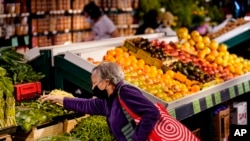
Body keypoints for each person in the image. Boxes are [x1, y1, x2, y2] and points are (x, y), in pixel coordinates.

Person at [40, 62, 160, 141]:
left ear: (107, 82)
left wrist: (136, 139)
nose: (93, 88)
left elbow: (152, 112)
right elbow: (85, 104)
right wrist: (58, 99)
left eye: (95, 84)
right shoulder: (107, 101)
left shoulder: (125, 92)